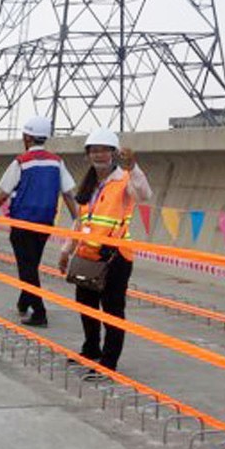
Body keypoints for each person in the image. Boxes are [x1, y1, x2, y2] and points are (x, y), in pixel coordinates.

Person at [59, 128, 151, 372]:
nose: (98, 155)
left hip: (115, 256)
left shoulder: (124, 180)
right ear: (88, 154)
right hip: (87, 254)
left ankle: (109, 363)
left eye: (104, 150)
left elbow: (144, 194)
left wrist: (133, 167)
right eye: (94, 150)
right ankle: (91, 350)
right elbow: (80, 221)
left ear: (113, 153)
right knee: (86, 305)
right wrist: (67, 249)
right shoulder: (90, 183)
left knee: (112, 309)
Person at [0, 116, 77, 327]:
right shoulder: (57, 162)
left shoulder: (21, 161)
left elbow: (3, 193)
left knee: (26, 268)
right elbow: (68, 193)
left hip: (22, 223)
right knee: (31, 264)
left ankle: (39, 312)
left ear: (27, 137)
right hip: (45, 223)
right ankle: (24, 302)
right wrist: (77, 220)